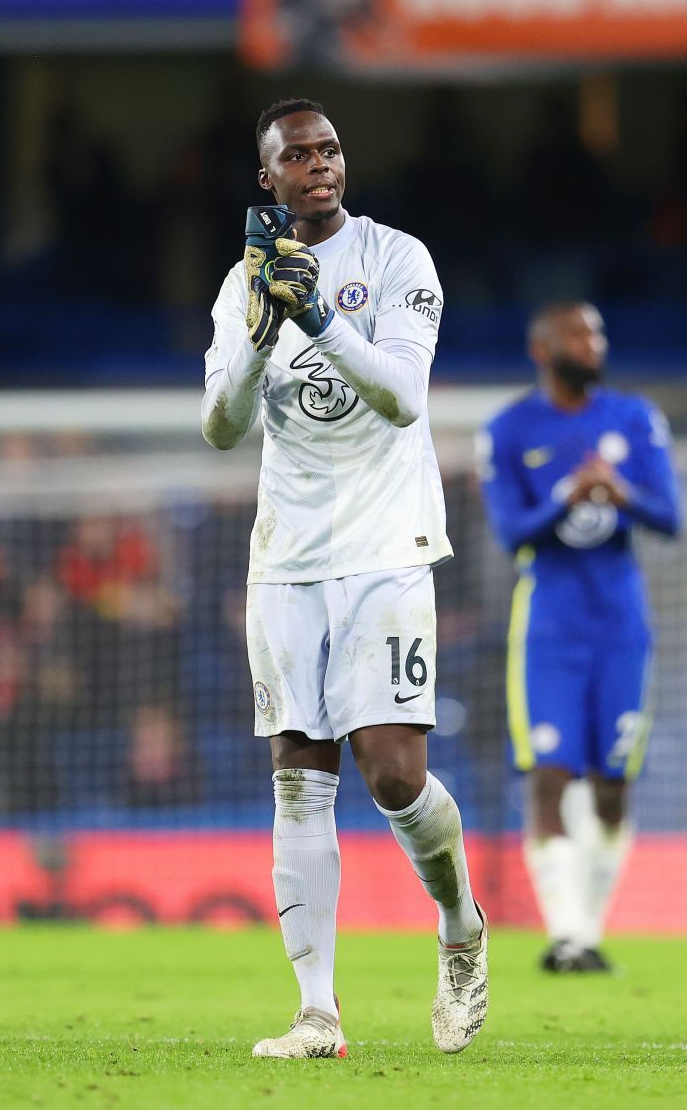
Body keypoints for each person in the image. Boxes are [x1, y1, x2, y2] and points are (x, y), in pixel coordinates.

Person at [201, 98, 487, 1059]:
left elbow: (404, 399)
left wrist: (315, 314)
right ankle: (317, 1014)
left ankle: (460, 926)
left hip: (387, 545)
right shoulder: (242, 284)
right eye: (298, 155)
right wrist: (254, 328)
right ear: (267, 177)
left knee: (394, 774)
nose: (319, 165)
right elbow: (221, 425)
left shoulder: (399, 260)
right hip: (286, 555)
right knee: (298, 781)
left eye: (329, 150)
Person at [477, 304, 680, 972]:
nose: (593, 344)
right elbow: (511, 533)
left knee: (612, 785)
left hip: (621, 624)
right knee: (550, 774)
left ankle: (587, 931)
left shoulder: (634, 417)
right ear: (542, 348)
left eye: (597, 332)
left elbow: (670, 516)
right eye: (578, 335)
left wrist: (618, 492)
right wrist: (570, 491)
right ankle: (567, 935)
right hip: (549, 626)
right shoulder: (509, 430)